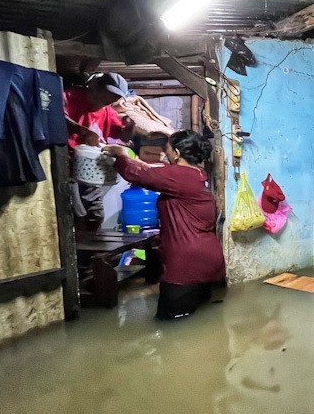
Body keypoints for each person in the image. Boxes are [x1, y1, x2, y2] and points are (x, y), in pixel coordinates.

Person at [102, 130, 226, 320]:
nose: (164, 154)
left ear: (176, 153)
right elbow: (152, 171)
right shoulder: (197, 175)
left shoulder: (179, 176)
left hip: (185, 267)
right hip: (210, 262)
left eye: (166, 150)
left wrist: (120, 154)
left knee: (171, 327)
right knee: (203, 325)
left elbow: (136, 174)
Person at [65, 71, 134, 229]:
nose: (112, 100)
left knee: (95, 215)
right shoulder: (70, 97)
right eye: (109, 95)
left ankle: (94, 253)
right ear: (96, 87)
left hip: (90, 169)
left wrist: (130, 127)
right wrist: (82, 131)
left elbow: (122, 136)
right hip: (69, 170)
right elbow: (56, 116)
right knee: (77, 215)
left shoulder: (106, 110)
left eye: (115, 97)